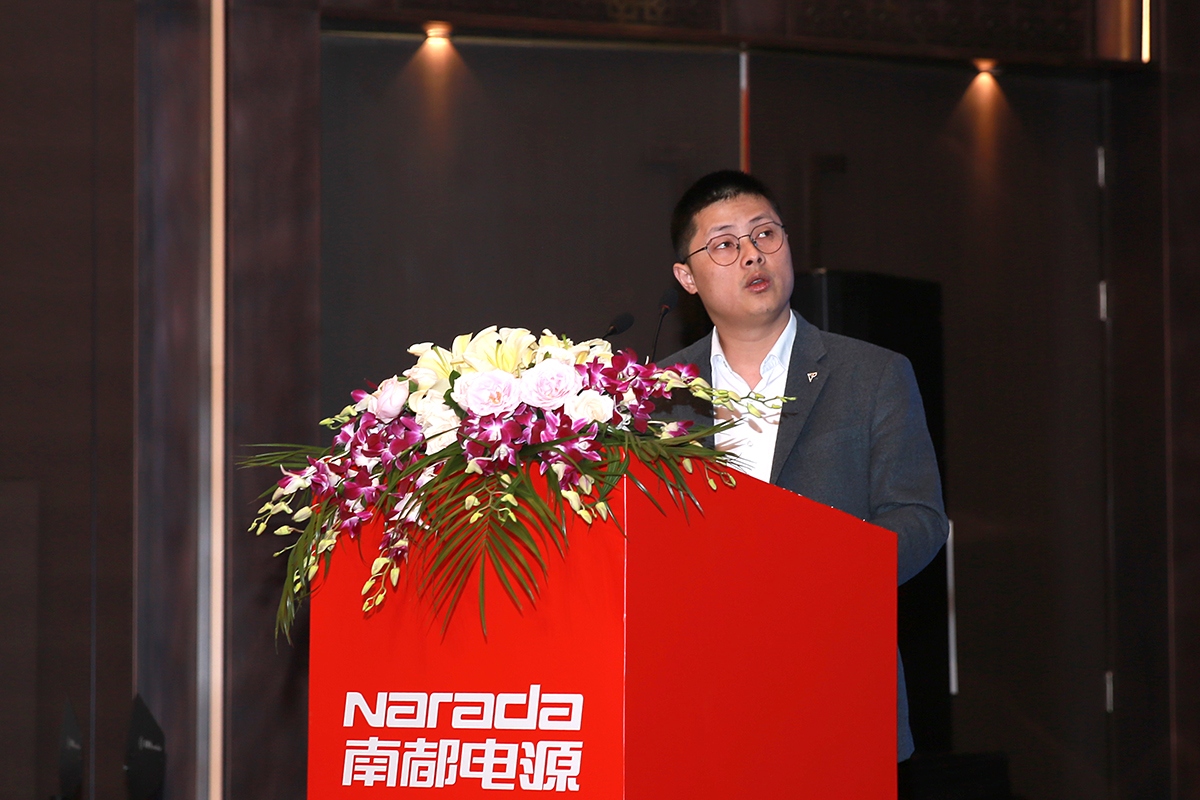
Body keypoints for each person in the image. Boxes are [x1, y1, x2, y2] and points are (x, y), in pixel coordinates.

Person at [660, 170, 949, 761]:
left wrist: (820, 570)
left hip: (835, 682)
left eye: (765, 234)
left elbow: (919, 518)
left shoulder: (872, 374)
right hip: (697, 696)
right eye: (725, 244)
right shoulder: (655, 393)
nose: (752, 255)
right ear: (687, 277)